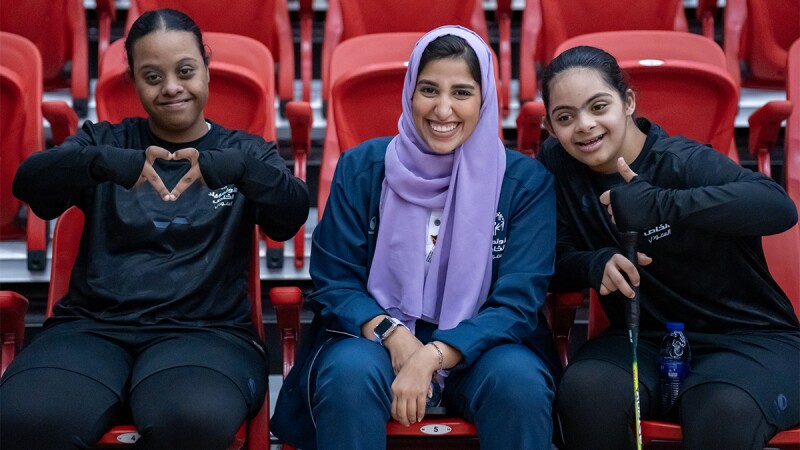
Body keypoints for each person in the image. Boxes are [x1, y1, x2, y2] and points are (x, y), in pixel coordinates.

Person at [0, 8, 309, 450]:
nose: (171, 88)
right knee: (27, 417)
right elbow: (29, 184)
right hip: (93, 328)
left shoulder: (243, 151)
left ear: (206, 67)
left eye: (185, 70)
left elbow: (291, 215)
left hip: (207, 333)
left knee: (191, 420)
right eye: (152, 76)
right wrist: (101, 162)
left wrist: (241, 171)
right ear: (133, 81)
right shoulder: (104, 141)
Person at [270, 25, 560, 450]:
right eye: (429, 89)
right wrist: (395, 334)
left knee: (519, 383)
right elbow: (335, 281)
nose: (443, 109)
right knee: (349, 374)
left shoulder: (523, 183)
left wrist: (434, 354)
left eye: (462, 92)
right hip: (376, 340)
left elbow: (517, 302)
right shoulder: (362, 167)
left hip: (482, 345)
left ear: (485, 100)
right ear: (409, 92)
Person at [537, 45, 800, 450]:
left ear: (628, 102)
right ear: (551, 128)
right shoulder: (559, 164)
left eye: (598, 106)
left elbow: (777, 207)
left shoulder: (682, 162)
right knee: (586, 392)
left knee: (719, 409)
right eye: (565, 117)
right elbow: (553, 260)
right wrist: (596, 263)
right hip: (644, 337)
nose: (584, 126)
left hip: (749, 339)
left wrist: (661, 204)